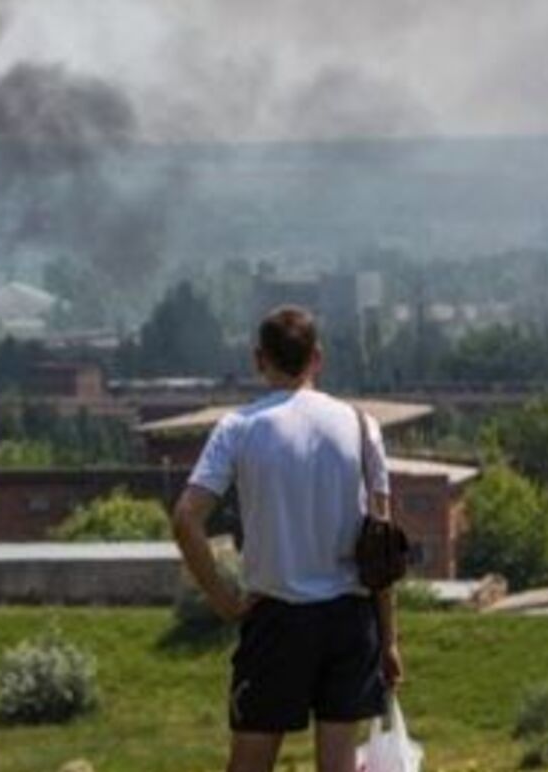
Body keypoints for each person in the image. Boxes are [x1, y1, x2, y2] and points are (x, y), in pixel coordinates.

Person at [171, 305, 402, 772]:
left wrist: (224, 599)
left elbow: (185, 520)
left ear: (260, 359)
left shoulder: (238, 429)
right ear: (317, 357)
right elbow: (382, 546)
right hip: (350, 619)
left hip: (275, 617)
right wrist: (389, 640)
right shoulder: (362, 427)